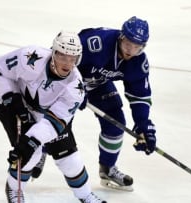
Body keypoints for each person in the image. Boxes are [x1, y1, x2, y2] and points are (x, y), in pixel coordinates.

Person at [0, 31, 106, 203]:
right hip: (12, 107)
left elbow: (54, 122)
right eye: (63, 57)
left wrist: (32, 141)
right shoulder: (30, 57)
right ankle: (14, 190)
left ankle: (86, 195)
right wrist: (12, 100)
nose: (68, 64)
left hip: (46, 118)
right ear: (54, 53)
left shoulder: (75, 87)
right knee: (30, 156)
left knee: (71, 161)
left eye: (73, 58)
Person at [76, 16, 157, 191]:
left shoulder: (138, 61)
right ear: (121, 37)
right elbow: (61, 57)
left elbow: (139, 96)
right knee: (56, 121)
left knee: (116, 124)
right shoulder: (96, 42)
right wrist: (71, 87)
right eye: (128, 44)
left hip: (98, 84)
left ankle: (107, 169)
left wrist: (143, 124)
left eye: (137, 47)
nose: (131, 50)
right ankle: (40, 154)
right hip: (67, 81)